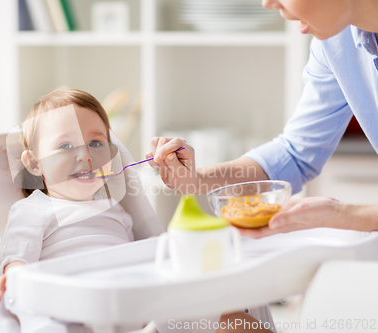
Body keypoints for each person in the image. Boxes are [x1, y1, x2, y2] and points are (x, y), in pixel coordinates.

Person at [0, 87, 274, 333]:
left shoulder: (116, 209)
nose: (86, 155)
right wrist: (15, 280)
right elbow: (16, 266)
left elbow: (144, 259)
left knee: (231, 318)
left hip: (136, 310)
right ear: (34, 163)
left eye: (95, 143)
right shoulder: (32, 210)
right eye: (65, 145)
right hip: (73, 314)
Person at [147, 0, 378, 239]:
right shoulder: (335, 43)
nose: (267, 3)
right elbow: (294, 155)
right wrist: (196, 180)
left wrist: (347, 215)